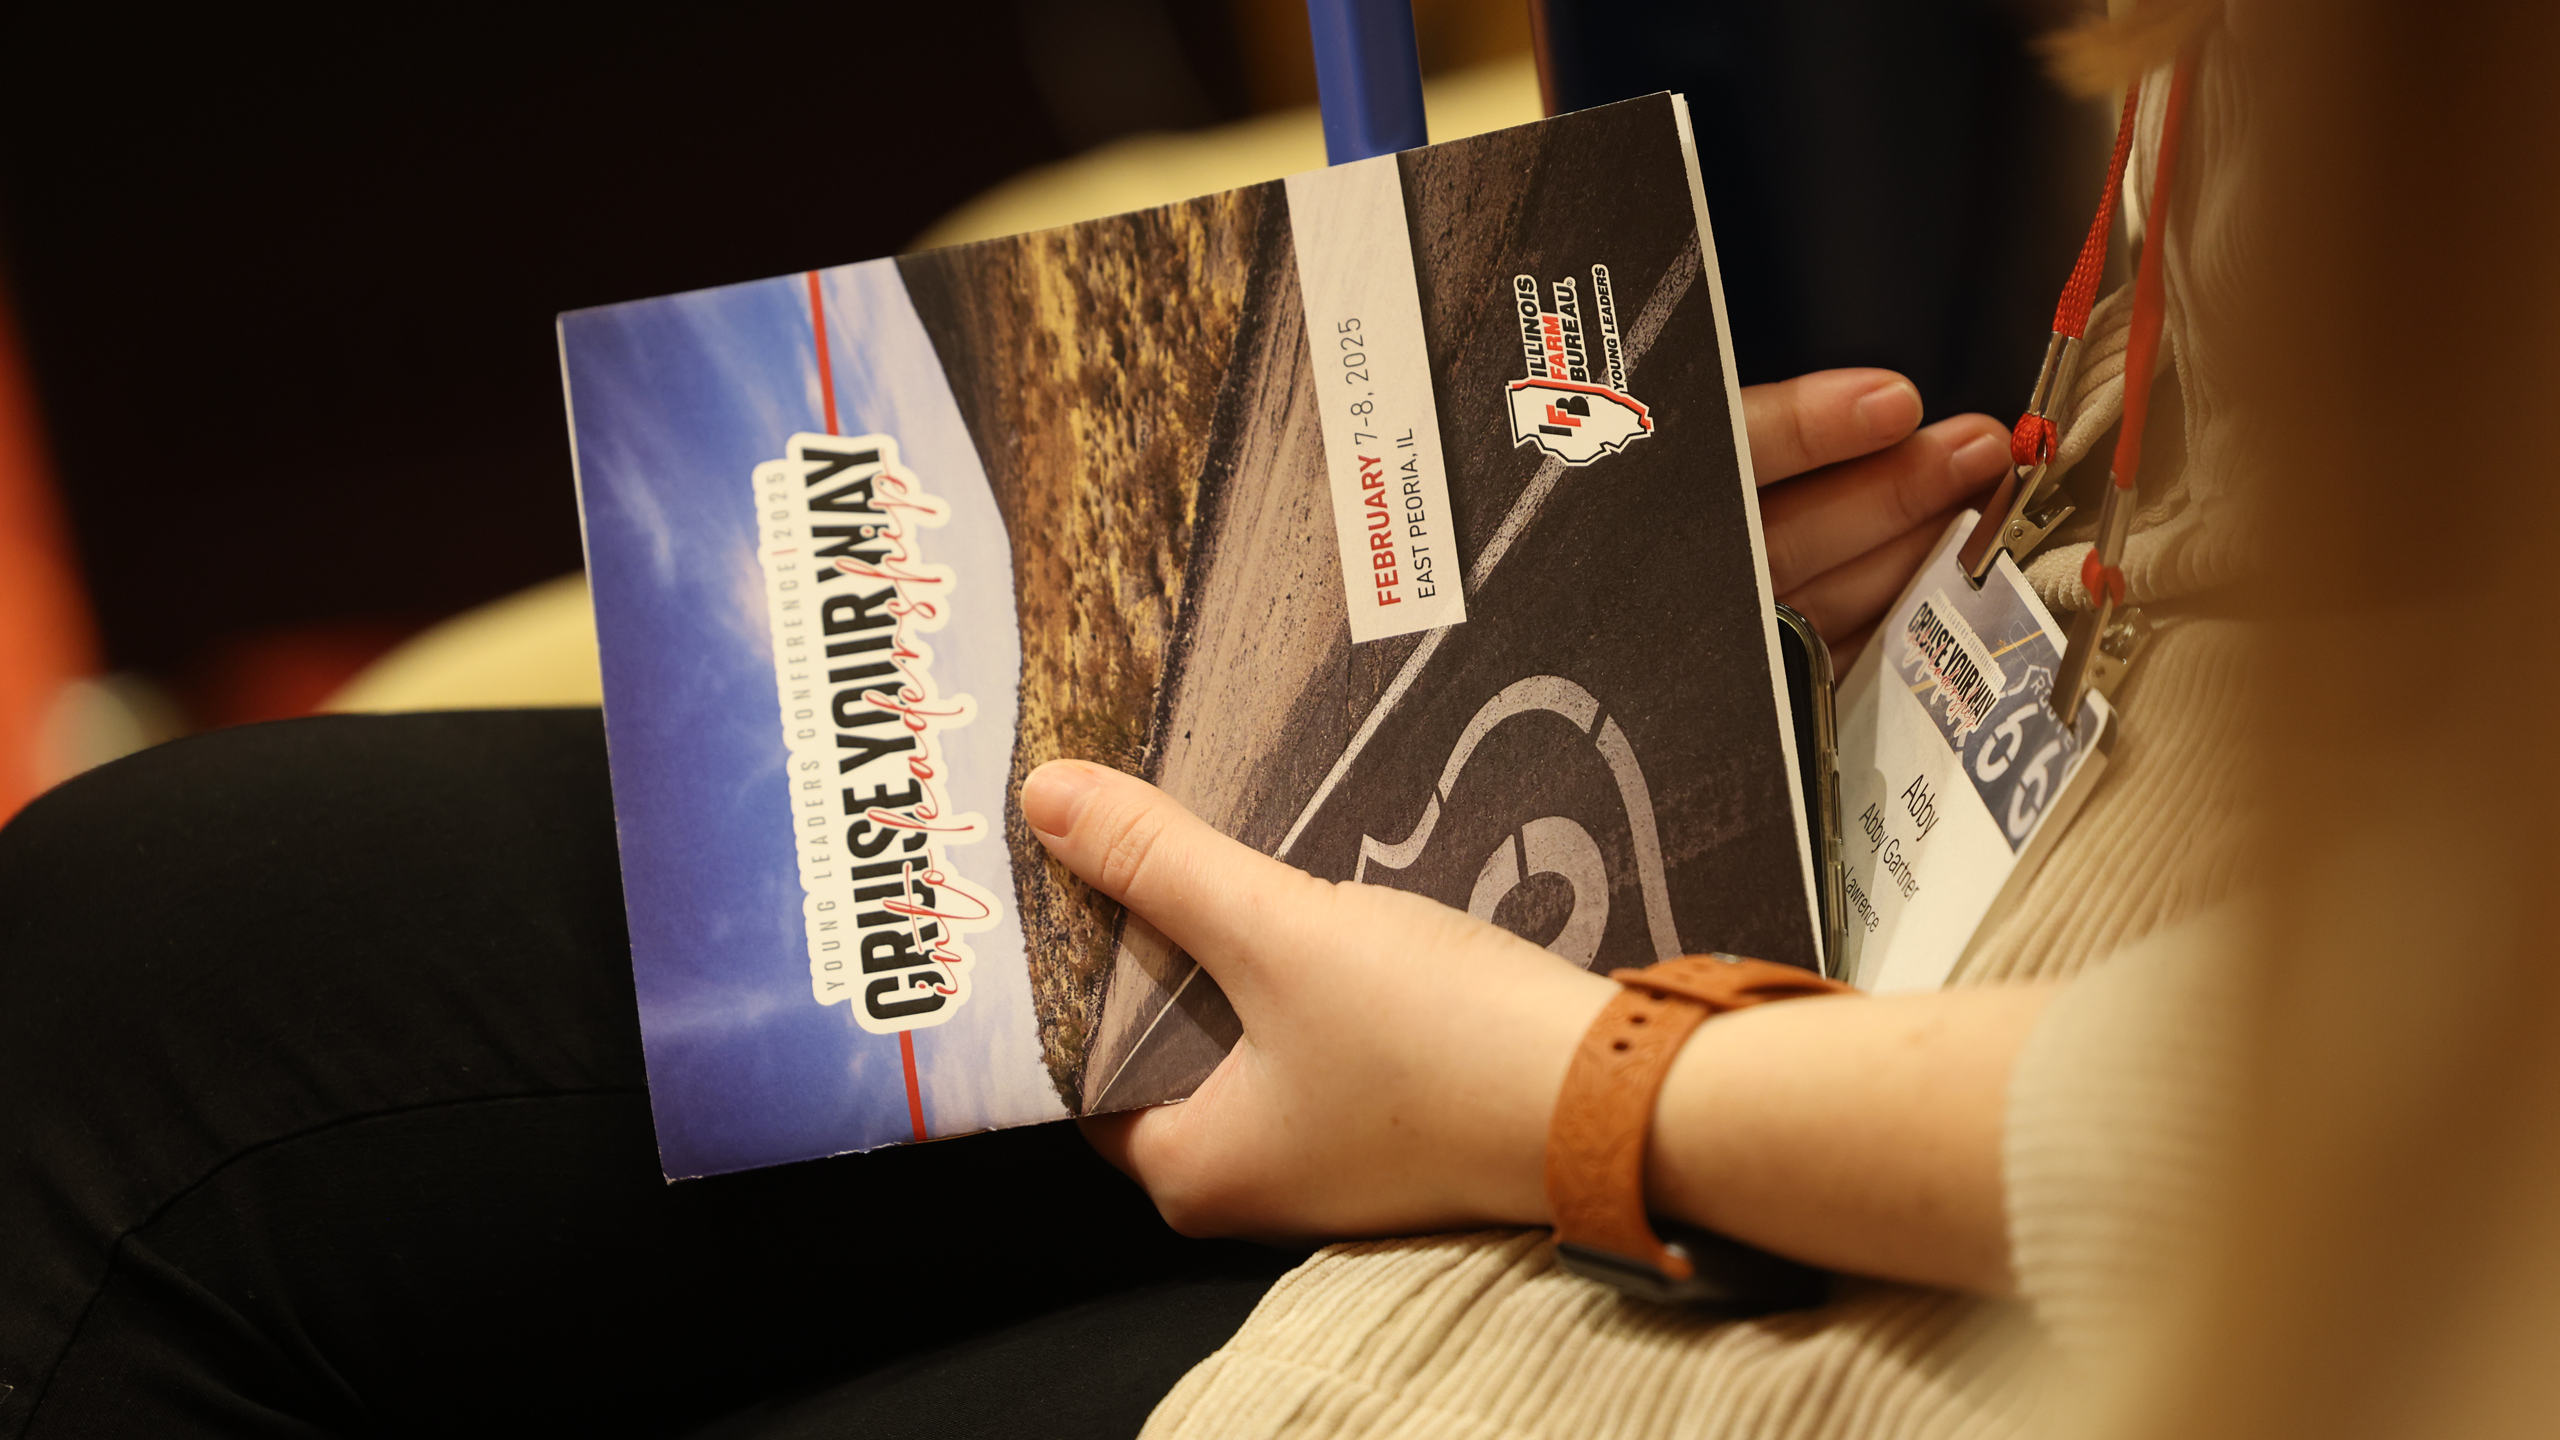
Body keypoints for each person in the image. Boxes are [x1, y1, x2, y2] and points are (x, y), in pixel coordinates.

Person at [12, 2, 2560, 1438]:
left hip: (2172, 1164)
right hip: (2032, 699)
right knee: (143, 979)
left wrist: (1585, 1088)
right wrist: (1635, 592)